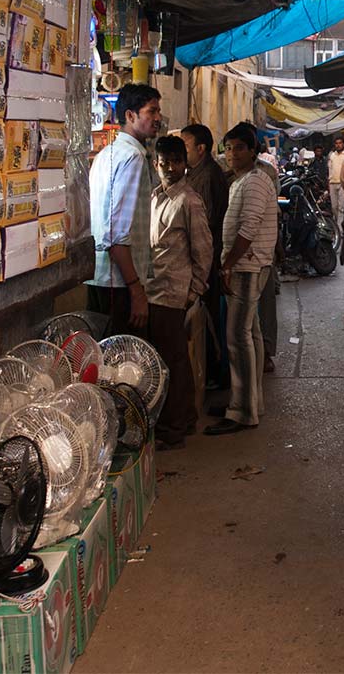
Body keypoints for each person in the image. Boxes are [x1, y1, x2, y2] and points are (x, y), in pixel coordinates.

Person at [206, 123, 279, 435]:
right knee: (250, 334)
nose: (232, 154)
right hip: (246, 265)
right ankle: (249, 401)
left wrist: (228, 265)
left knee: (237, 336)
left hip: (248, 265)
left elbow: (248, 230)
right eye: (228, 147)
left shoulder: (255, 182)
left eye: (238, 148)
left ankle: (243, 411)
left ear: (253, 151)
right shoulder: (242, 180)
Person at [147, 135, 212, 449]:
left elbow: (204, 249)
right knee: (168, 359)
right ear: (156, 164)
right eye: (164, 163)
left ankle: (175, 429)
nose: (170, 168)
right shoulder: (156, 197)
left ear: (185, 164)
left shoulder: (189, 200)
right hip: (154, 290)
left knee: (173, 361)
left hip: (174, 293)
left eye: (176, 162)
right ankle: (183, 419)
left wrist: (194, 291)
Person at [87, 83, 162, 334]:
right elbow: (118, 234)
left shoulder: (106, 153)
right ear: (130, 116)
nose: (158, 118)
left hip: (100, 276)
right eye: (151, 111)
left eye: (158, 111)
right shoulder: (133, 158)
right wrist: (136, 290)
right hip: (118, 282)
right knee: (122, 364)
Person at [181, 123, 230, 390]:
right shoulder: (194, 174)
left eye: (185, 146)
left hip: (207, 259)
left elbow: (208, 223)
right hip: (201, 257)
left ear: (201, 149)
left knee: (208, 318)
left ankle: (214, 373)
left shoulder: (209, 176)